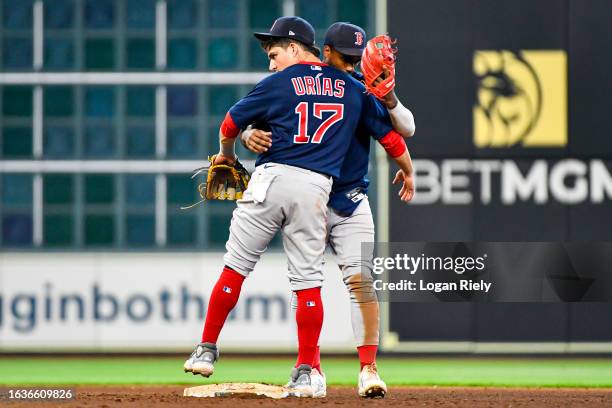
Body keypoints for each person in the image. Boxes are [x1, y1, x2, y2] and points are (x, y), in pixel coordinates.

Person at [183, 16, 410, 398]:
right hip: (315, 191)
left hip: (321, 192)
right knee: (309, 282)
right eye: (348, 57)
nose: (354, 65)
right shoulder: (350, 91)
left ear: (295, 48)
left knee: (241, 267)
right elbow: (396, 139)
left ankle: (209, 348)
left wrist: (230, 148)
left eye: (274, 54)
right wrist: (408, 169)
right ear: (326, 52)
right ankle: (310, 368)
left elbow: (231, 121)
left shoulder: (299, 85)